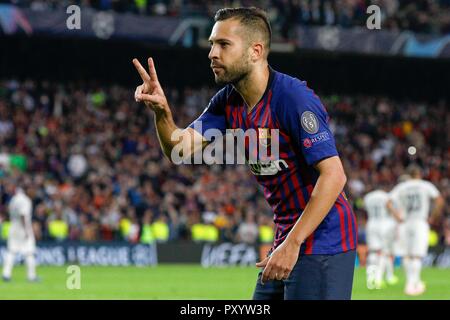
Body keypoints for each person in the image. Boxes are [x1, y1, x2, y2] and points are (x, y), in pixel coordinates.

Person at [132, 7, 357, 299]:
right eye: (212, 43)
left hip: (323, 240)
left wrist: (293, 243)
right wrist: (162, 113)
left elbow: (334, 176)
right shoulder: (228, 101)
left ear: (255, 51)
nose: (212, 53)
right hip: (287, 238)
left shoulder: (292, 98)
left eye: (223, 44)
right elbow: (179, 149)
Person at [387, 165, 444, 296]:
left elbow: (388, 202)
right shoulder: (425, 185)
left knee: (406, 255)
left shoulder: (402, 187)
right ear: (419, 174)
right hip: (420, 222)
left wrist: (397, 216)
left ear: (408, 175)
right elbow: (439, 201)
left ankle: (413, 282)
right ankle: (412, 285)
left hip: (405, 223)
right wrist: (432, 217)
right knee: (417, 255)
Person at [2, 183, 39, 282]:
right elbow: (23, 215)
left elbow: (7, 210)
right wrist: (27, 231)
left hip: (13, 227)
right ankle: (32, 276)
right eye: (32, 189)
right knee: (30, 252)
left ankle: (6, 274)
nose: (33, 192)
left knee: (11, 251)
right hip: (23, 228)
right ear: (26, 190)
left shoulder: (14, 199)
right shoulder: (25, 200)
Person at [363, 186, 398, 290]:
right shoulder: (387, 196)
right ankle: (378, 279)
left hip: (371, 224)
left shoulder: (368, 197)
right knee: (384, 252)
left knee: (373, 252)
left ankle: (370, 278)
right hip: (384, 224)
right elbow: (390, 206)